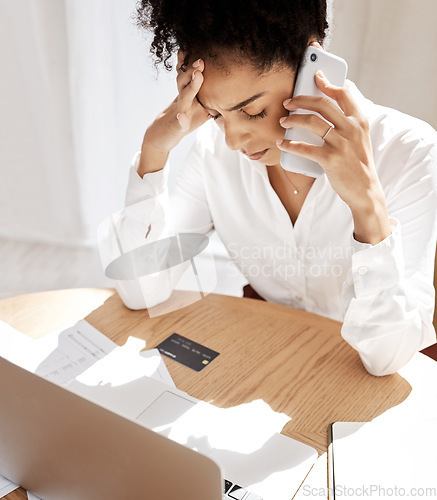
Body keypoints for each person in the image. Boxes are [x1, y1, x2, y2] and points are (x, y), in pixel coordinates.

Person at [102, 0, 437, 376]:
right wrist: (154, 151)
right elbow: (142, 292)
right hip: (271, 366)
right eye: (215, 115)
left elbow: (387, 357)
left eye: (252, 111)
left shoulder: (407, 150)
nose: (232, 140)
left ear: (313, 66)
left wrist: (367, 207)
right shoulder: (214, 154)